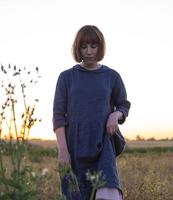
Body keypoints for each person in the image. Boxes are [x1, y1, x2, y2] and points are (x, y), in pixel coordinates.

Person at [53, 25, 131, 200]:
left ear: (100, 47)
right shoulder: (66, 77)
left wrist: (115, 115)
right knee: (74, 195)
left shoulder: (112, 76)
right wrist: (63, 150)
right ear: (77, 48)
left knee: (107, 194)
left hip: (103, 147)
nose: (88, 51)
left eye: (93, 46)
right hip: (74, 148)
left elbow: (123, 105)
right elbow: (58, 116)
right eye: (84, 46)